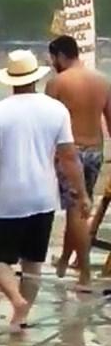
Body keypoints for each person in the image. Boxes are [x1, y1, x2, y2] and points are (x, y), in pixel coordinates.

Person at [0, 50, 89, 331]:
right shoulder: (56, 110)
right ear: (35, 78)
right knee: (33, 264)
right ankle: (21, 321)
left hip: (10, 198)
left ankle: (17, 302)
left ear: (11, 80)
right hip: (44, 197)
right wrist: (82, 193)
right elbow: (68, 157)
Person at [46, 35, 111, 288]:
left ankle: (84, 272)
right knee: (79, 208)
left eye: (53, 58)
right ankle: (64, 259)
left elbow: (47, 124)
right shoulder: (103, 81)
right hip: (95, 150)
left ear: (61, 56)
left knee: (75, 212)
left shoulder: (57, 83)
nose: (52, 63)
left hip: (69, 153)